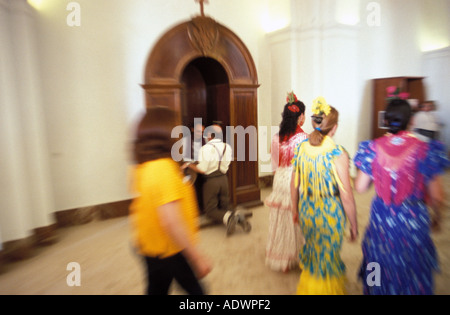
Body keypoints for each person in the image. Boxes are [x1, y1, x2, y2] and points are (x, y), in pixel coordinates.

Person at [354, 98, 449, 295]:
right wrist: (437, 217)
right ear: (411, 121)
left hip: (381, 216)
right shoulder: (425, 149)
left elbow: (361, 188)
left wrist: (377, 176)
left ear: (386, 121)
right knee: (412, 260)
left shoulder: (372, 148)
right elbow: (437, 196)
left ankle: (374, 290)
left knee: (377, 256)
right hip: (413, 217)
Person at [129, 106, 212, 295]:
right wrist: (197, 257)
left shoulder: (143, 166)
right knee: (196, 292)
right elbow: (170, 221)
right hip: (170, 247)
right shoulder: (163, 170)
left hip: (151, 245)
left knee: (157, 288)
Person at [290, 96, 358, 295]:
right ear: (334, 128)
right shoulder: (338, 153)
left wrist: (295, 209)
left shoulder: (301, 149)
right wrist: (354, 225)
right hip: (330, 213)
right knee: (327, 256)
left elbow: (294, 185)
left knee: (313, 251)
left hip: (307, 209)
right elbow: (346, 196)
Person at [264, 92, 308, 272]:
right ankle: (298, 255)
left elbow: (275, 164)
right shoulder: (304, 138)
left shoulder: (276, 138)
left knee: (281, 219)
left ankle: (282, 260)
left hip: (280, 178)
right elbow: (306, 166)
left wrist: (279, 177)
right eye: (304, 114)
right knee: (297, 217)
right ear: (300, 117)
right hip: (295, 179)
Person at [184, 124, 250, 236]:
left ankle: (229, 218)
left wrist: (189, 165)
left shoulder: (205, 148)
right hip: (224, 180)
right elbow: (227, 164)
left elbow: (202, 169)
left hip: (211, 181)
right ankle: (238, 216)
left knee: (210, 210)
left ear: (210, 135)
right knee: (225, 205)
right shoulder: (227, 147)